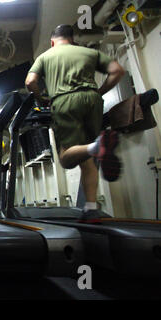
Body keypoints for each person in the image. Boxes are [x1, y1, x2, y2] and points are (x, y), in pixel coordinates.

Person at [25, 24, 125, 223]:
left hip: (64, 101)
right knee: (87, 159)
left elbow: (30, 82)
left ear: (52, 41)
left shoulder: (46, 56)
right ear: (72, 38)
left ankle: (97, 146)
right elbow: (117, 71)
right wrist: (99, 92)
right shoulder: (88, 52)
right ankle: (90, 207)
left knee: (66, 158)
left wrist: (40, 99)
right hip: (92, 101)